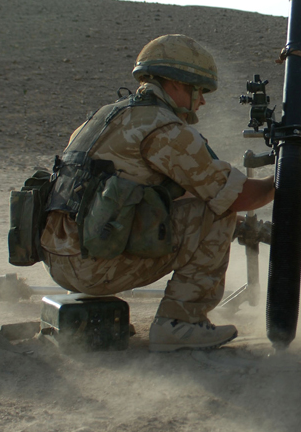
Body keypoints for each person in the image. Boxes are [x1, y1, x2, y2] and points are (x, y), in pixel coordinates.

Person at [40, 34, 274, 352]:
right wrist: (280, 184)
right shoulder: (164, 128)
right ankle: (181, 322)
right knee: (218, 211)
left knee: (198, 202)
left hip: (57, 262)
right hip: (93, 269)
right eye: (198, 90)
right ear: (176, 83)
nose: (202, 101)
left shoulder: (107, 115)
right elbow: (236, 197)